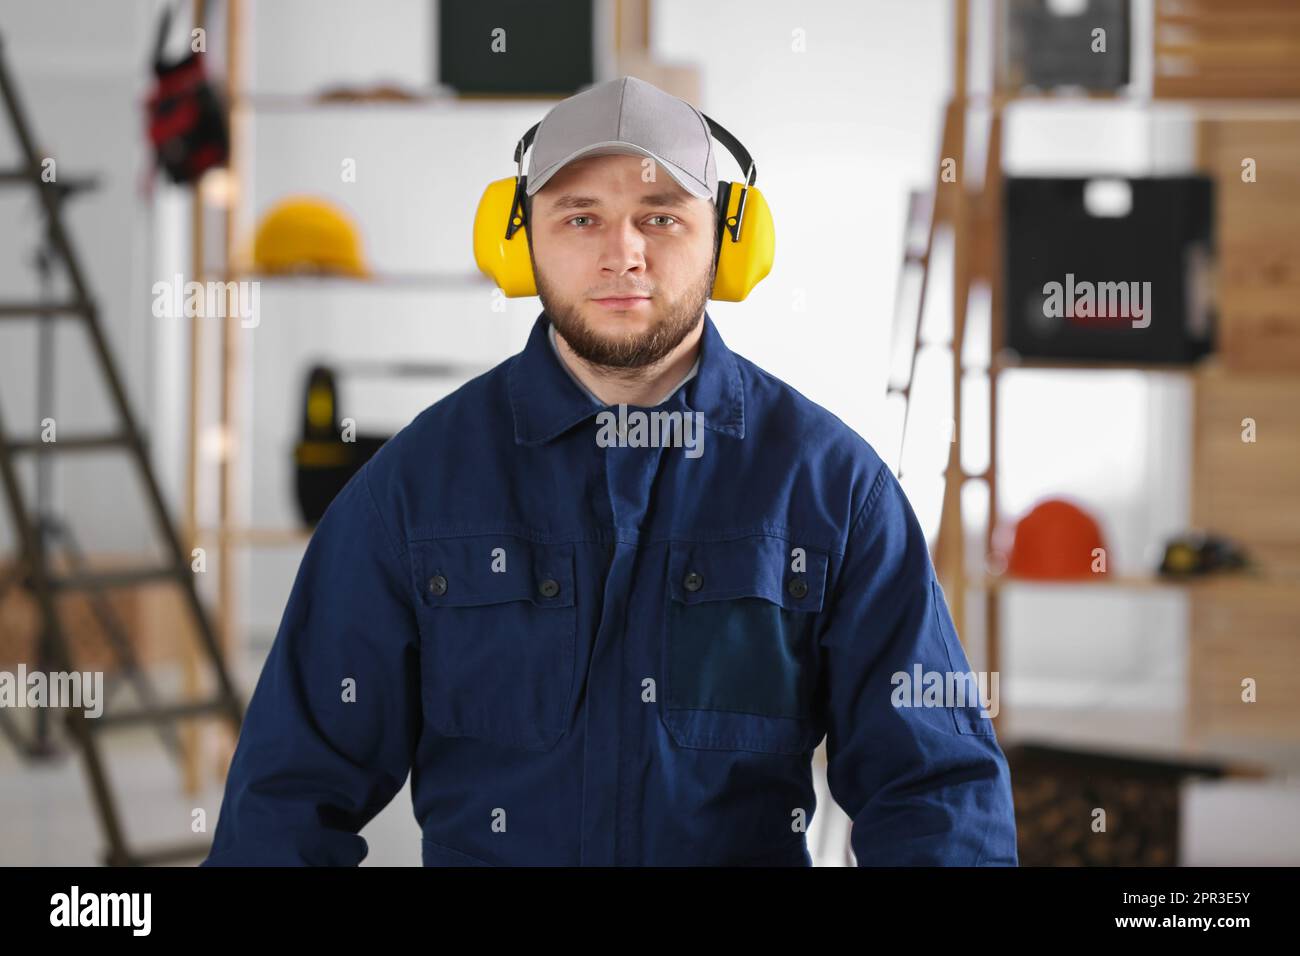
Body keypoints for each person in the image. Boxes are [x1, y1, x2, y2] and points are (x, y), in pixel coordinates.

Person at [203, 75, 1018, 867]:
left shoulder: (833, 489)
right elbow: (289, 794)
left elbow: (934, 788)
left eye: (660, 217)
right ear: (517, 239)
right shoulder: (412, 489)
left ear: (731, 240)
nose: (621, 254)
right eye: (581, 217)